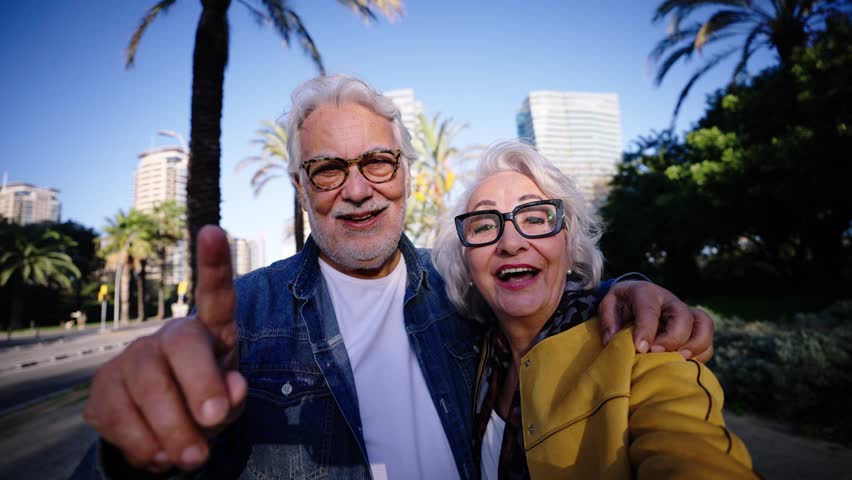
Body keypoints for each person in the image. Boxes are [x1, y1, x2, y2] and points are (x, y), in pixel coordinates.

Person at [75, 75, 715, 480]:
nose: (357, 190)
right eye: (328, 170)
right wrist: (132, 454)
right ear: (301, 189)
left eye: (378, 161)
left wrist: (622, 292)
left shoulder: (458, 290)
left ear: (406, 172)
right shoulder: (246, 314)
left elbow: (537, 292)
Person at [431, 140, 755, 479]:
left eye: (536, 218)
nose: (511, 243)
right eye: (483, 225)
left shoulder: (640, 344)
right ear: (466, 262)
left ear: (569, 247)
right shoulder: (470, 356)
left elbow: (692, 450)